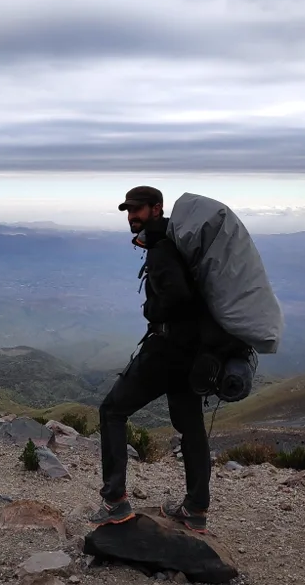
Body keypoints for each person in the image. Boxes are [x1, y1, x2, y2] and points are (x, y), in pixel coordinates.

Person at [88, 185, 213, 533]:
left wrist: (150, 308)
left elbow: (177, 297)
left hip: (167, 351)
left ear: (156, 208)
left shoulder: (162, 248)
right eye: (128, 211)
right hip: (191, 352)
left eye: (138, 210)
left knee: (111, 410)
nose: (131, 217)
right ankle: (195, 509)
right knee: (191, 428)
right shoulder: (176, 241)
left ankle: (114, 501)